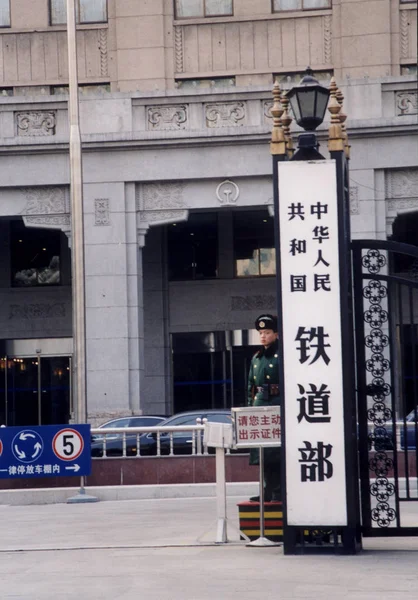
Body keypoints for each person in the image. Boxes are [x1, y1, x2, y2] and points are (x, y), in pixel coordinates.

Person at [247, 314, 281, 503]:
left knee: (276, 452)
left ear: (275, 334)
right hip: (260, 405)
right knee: (263, 452)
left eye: (267, 332)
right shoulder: (256, 358)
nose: (263, 336)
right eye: (260, 333)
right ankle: (268, 490)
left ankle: (278, 491)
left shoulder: (282, 355)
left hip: (277, 403)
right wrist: (249, 408)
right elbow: (250, 387)